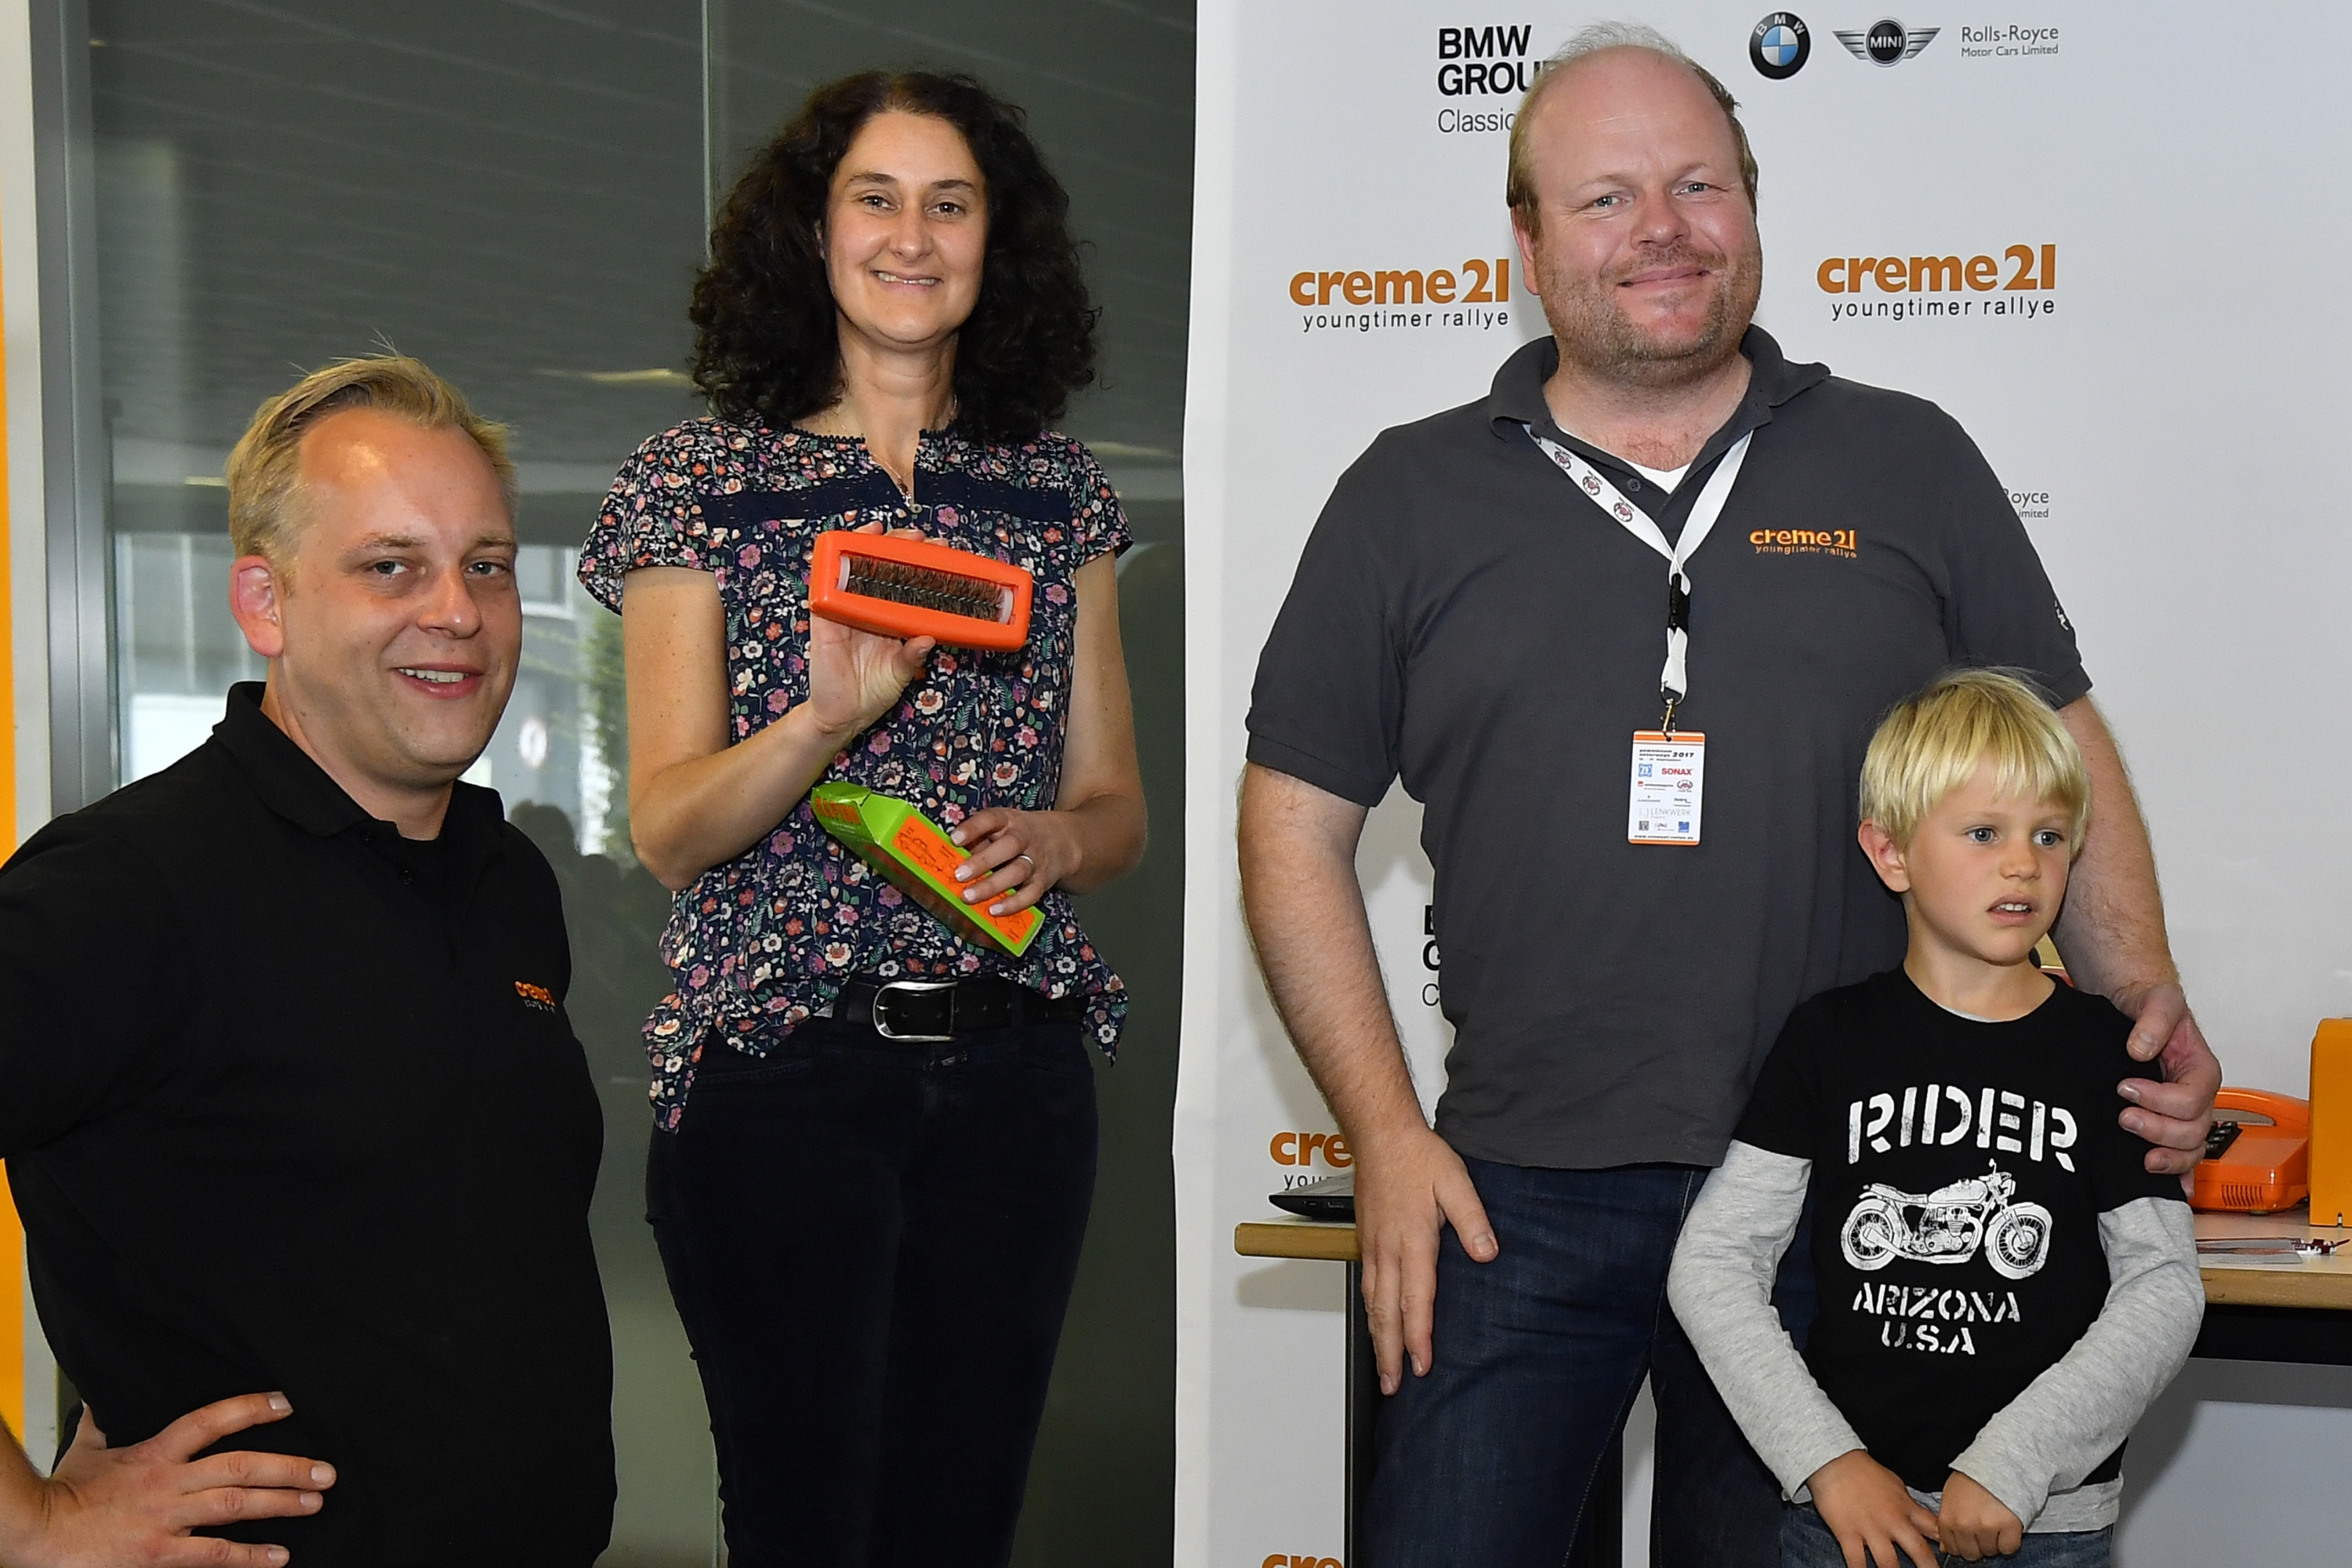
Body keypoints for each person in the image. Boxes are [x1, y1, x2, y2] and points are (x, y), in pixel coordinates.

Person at [1236, 22, 2219, 1567]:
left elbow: (2061, 751)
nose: (1663, 230)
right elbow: (1293, 826)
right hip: (1508, 1200)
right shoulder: (1405, 499)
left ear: (1752, 207)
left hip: (1849, 1198)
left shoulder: (1909, 462)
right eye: (1607, 198)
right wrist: (1384, 1133)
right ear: (1527, 242)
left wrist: (2145, 1010)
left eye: (1698, 185)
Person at [579, 70, 1145, 1568]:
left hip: (1015, 1080)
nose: (912, 236)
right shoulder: (700, 482)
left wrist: (1060, 841)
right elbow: (669, 829)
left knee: (963, 1525)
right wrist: (823, 721)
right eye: (875, 199)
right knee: (806, 1526)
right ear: (812, 232)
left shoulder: (1056, 493)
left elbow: (1118, 809)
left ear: (996, 240)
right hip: (785, 1073)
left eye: (950, 204)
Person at [0, 355, 615, 1566]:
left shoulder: (507, 882)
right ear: (265, 603)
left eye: (487, 565)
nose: (458, 611)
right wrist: (33, 1523)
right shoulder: (129, 887)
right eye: (392, 566)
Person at [1668, 670, 2201, 1568]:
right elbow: (1714, 1261)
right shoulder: (1828, 1038)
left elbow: (2164, 1285)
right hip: (1848, 1518)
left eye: (2048, 834)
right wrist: (1829, 1462)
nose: (2023, 862)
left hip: (2044, 1522)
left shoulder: (2109, 1052)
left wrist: (2014, 1463)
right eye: (1984, 832)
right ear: (1891, 851)